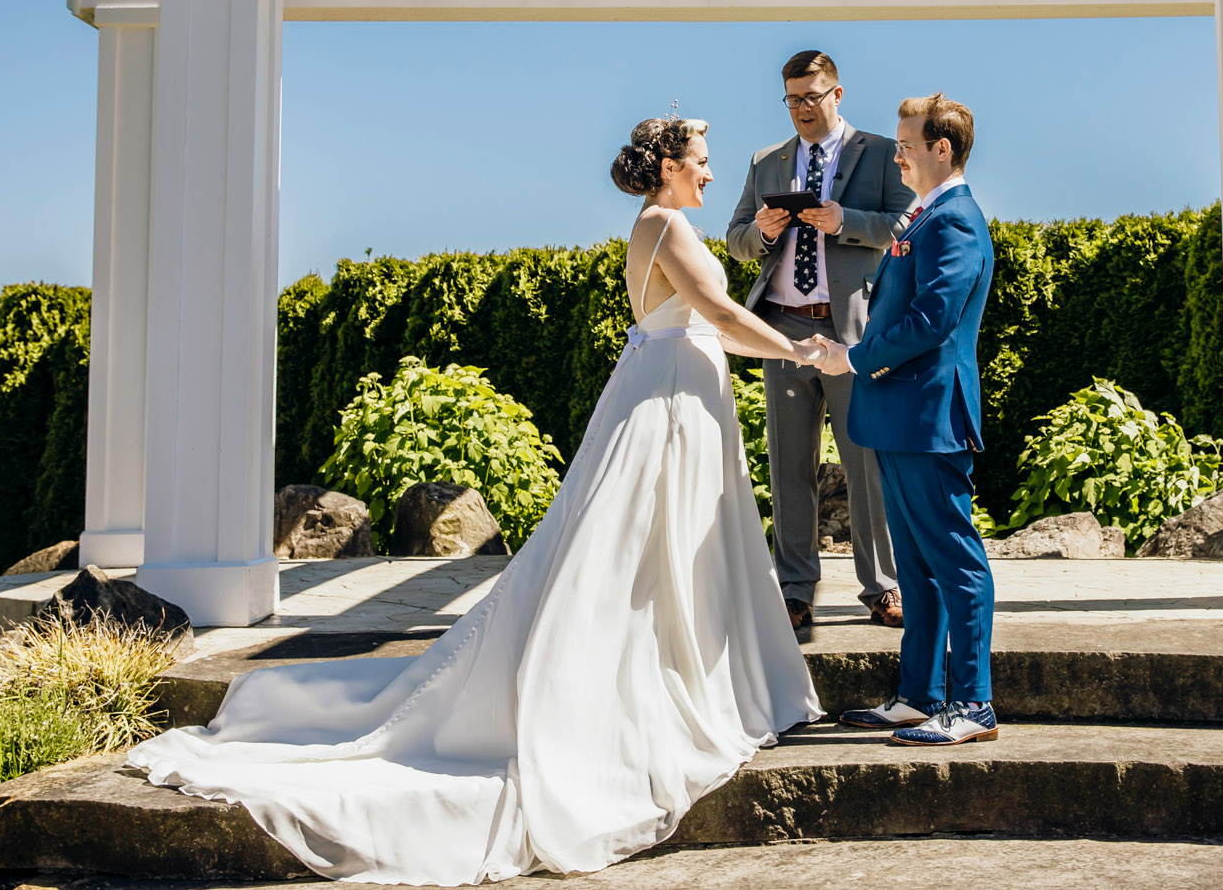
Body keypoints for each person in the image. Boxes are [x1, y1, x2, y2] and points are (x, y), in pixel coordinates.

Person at [127, 116, 823, 883]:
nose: (711, 172)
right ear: (667, 165)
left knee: (664, 550)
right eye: (700, 159)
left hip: (674, 395)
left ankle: (694, 674)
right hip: (664, 406)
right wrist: (802, 347)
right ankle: (640, 695)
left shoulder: (658, 222)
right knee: (635, 553)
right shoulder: (665, 225)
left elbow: (713, 319)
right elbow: (721, 317)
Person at [811, 94, 999, 746]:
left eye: (906, 145)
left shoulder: (956, 221)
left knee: (955, 559)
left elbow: (931, 321)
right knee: (915, 564)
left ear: (941, 149)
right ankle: (919, 695)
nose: (897, 155)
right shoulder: (926, 216)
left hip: (928, 416)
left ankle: (973, 703)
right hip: (899, 416)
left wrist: (853, 358)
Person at [726, 51, 915, 636]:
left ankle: (882, 588)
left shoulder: (882, 152)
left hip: (850, 330)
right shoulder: (766, 161)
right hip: (781, 328)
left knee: (867, 463)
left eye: (813, 96)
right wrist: (761, 232)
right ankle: (794, 592)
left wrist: (846, 221)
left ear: (838, 93)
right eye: (793, 99)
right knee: (789, 467)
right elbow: (734, 240)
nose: (803, 109)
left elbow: (909, 222)